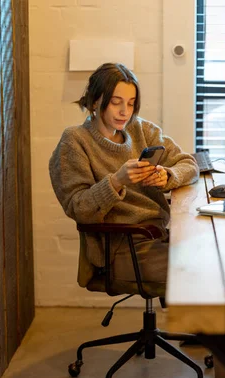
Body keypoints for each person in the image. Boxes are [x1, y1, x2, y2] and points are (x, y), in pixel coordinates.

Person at [49, 62, 199, 288]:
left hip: (158, 235)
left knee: (214, 256)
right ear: (97, 100)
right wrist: (117, 181)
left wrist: (167, 176)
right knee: (203, 271)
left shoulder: (140, 129)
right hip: (119, 247)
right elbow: (78, 208)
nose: (124, 112)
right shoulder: (75, 141)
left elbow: (188, 163)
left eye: (130, 104)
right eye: (116, 102)